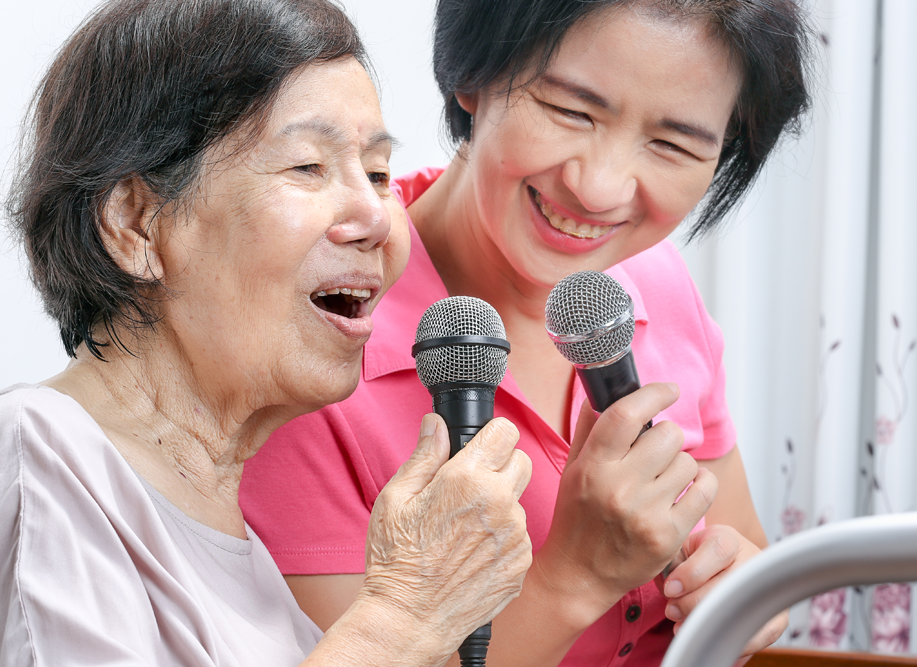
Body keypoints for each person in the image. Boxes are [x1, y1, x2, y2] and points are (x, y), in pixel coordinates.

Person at [0, 1, 535, 665]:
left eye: (379, 174)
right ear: (136, 223)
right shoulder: (32, 453)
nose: (379, 218)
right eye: (308, 167)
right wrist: (405, 616)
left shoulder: (255, 570)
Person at [241, 0, 812, 665]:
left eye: (673, 144)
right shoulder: (316, 335)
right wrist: (576, 577)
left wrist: (737, 587)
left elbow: (748, 557)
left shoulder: (658, 281)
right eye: (571, 111)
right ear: (473, 76)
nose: (598, 189)